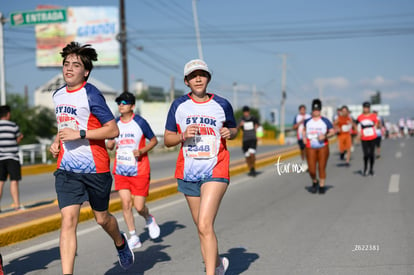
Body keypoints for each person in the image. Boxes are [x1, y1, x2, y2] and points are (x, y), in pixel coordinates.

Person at [49, 42, 134, 274]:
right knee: (68, 221)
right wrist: (57, 141)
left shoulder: (91, 94)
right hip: (67, 168)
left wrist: (82, 134)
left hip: (95, 168)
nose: (69, 68)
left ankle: (120, 242)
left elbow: (113, 130)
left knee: (102, 219)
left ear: (85, 71)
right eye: (66, 64)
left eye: (75, 65)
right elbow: (64, 125)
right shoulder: (57, 95)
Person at [164, 59, 237, 275]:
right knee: (201, 227)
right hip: (188, 171)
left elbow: (233, 129)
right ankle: (216, 264)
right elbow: (167, 139)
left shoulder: (222, 104)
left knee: (205, 224)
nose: (198, 78)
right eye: (193, 75)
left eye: (202, 74)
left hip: (216, 167)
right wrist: (182, 135)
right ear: (186, 81)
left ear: (208, 79)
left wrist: (229, 133)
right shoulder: (179, 106)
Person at [106, 91, 160, 250]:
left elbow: (154, 140)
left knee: (139, 206)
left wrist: (142, 151)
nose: (120, 105)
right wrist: (110, 144)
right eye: (119, 103)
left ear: (132, 106)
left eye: (124, 102)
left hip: (140, 170)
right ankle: (133, 236)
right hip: (121, 170)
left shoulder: (140, 122)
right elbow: (110, 143)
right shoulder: (115, 123)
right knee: (125, 203)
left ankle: (149, 218)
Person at [303, 99, 335, 194]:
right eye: (314, 110)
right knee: (311, 169)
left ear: (320, 110)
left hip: (322, 146)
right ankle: (314, 181)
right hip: (310, 146)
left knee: (321, 167)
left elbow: (332, 131)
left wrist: (325, 136)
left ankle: (321, 186)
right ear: (312, 110)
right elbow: (304, 130)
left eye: (317, 110)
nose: (315, 111)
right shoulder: (307, 121)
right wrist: (304, 137)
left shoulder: (325, 121)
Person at [0, 105, 24, 212]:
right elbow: (16, 140)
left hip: (0, 158)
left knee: (0, 182)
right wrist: (19, 138)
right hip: (12, 158)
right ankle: (17, 206)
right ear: (8, 114)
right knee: (14, 181)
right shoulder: (13, 126)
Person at [356, 102, 379, 176]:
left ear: (369, 108)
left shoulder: (373, 116)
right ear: (363, 108)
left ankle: (371, 169)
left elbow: (376, 123)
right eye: (365, 107)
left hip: (372, 137)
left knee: (371, 154)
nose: (366, 109)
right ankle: (365, 168)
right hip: (364, 138)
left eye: (367, 107)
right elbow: (357, 126)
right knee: (366, 154)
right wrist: (359, 134)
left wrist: (374, 128)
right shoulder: (360, 117)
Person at [238, 105, 260, 176]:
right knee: (247, 156)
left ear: (249, 112)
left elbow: (258, 126)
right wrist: (240, 125)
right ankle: (250, 169)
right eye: (244, 112)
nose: (246, 113)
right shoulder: (241, 119)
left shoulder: (253, 118)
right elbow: (236, 129)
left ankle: (253, 168)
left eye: (247, 112)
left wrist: (258, 134)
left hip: (253, 139)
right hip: (245, 140)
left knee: (252, 153)